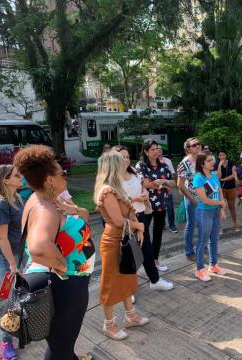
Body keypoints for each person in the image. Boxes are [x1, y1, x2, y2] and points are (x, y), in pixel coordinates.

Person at [14, 145, 93, 359]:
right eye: (62, 173)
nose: (65, 176)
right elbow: (38, 247)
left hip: (63, 283)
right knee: (61, 348)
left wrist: (75, 210)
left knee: (61, 342)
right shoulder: (45, 209)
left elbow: (82, 217)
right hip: (64, 285)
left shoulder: (48, 198)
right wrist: (64, 266)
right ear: (49, 179)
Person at [95, 150, 147, 341]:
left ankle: (130, 316)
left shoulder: (116, 187)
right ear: (113, 166)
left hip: (126, 237)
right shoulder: (107, 190)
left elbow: (130, 210)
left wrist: (137, 228)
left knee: (127, 276)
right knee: (110, 283)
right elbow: (118, 220)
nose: (125, 163)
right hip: (114, 241)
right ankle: (109, 325)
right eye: (120, 161)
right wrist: (139, 225)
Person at [115, 146, 173, 292]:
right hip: (126, 219)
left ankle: (155, 280)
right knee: (128, 254)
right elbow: (116, 199)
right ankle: (128, 289)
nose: (126, 160)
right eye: (123, 157)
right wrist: (136, 198)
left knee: (147, 250)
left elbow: (143, 187)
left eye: (128, 157)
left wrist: (145, 193)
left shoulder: (134, 172)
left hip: (140, 215)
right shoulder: (113, 178)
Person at [0, 165, 23, 360]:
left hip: (19, 254)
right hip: (5, 258)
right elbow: (1, 238)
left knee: (20, 297)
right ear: (5, 180)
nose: (21, 177)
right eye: (17, 175)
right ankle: (5, 342)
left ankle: (19, 331)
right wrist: (12, 264)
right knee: (12, 300)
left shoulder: (16, 197)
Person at [137, 139, 176, 272]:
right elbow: (146, 184)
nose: (156, 151)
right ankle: (139, 261)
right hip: (146, 206)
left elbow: (173, 183)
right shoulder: (141, 165)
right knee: (143, 233)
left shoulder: (163, 165)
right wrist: (163, 184)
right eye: (152, 149)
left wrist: (163, 181)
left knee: (158, 233)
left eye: (157, 149)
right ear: (146, 151)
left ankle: (155, 260)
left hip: (161, 204)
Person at [193, 151, 227, 281]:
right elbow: (204, 199)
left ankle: (213, 265)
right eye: (209, 160)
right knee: (202, 241)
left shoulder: (213, 175)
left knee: (214, 239)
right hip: (204, 212)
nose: (212, 162)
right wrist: (220, 203)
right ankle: (199, 269)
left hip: (215, 212)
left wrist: (222, 208)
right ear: (202, 163)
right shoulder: (198, 178)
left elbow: (219, 191)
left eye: (212, 160)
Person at [177, 137, 201, 261]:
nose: (198, 146)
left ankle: (202, 248)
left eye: (199, 144)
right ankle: (189, 252)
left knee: (203, 223)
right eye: (194, 145)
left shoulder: (202, 159)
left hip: (203, 197)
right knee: (191, 225)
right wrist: (192, 199)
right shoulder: (184, 163)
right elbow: (180, 185)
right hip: (191, 198)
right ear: (188, 149)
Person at [216, 149, 240, 232]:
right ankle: (220, 227)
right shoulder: (216, 164)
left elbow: (233, 175)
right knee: (222, 207)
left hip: (231, 187)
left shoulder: (231, 163)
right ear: (218, 156)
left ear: (226, 155)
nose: (222, 157)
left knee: (232, 207)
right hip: (221, 189)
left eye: (223, 155)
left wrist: (224, 179)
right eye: (220, 155)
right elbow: (218, 177)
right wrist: (219, 166)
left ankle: (235, 223)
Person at [158, 145, 178, 233]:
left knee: (170, 207)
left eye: (159, 150)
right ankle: (161, 224)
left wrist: (168, 183)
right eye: (156, 150)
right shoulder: (152, 162)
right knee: (160, 208)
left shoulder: (167, 161)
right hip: (157, 188)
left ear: (162, 151)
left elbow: (172, 174)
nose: (158, 152)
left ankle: (172, 225)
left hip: (167, 187)